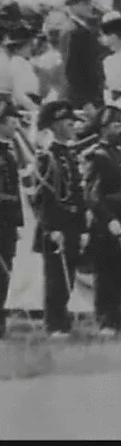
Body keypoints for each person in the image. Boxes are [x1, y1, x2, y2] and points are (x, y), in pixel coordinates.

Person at [32, 100, 89, 338]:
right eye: (68, 123)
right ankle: (53, 323)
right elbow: (43, 198)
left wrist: (83, 227)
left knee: (70, 273)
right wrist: (51, 228)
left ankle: (63, 320)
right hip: (56, 225)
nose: (73, 127)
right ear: (55, 126)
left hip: (73, 223)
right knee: (56, 276)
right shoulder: (47, 157)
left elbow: (79, 194)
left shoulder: (71, 154)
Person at [84, 104, 121, 336]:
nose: (119, 129)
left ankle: (117, 316)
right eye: (115, 124)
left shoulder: (120, 152)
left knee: (120, 271)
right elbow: (92, 194)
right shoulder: (97, 155)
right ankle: (104, 319)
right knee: (105, 273)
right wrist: (108, 218)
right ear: (103, 128)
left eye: (120, 124)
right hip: (106, 219)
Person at [59, 0, 105, 109]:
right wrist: (84, 102)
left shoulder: (84, 28)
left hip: (92, 95)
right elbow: (71, 72)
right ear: (73, 6)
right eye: (85, 3)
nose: (90, 6)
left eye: (89, 2)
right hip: (81, 100)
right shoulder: (72, 30)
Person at [0, 100, 24, 337]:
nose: (16, 126)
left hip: (7, 223)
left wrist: (17, 221)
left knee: (5, 272)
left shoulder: (9, 152)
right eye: (12, 122)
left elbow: (14, 192)